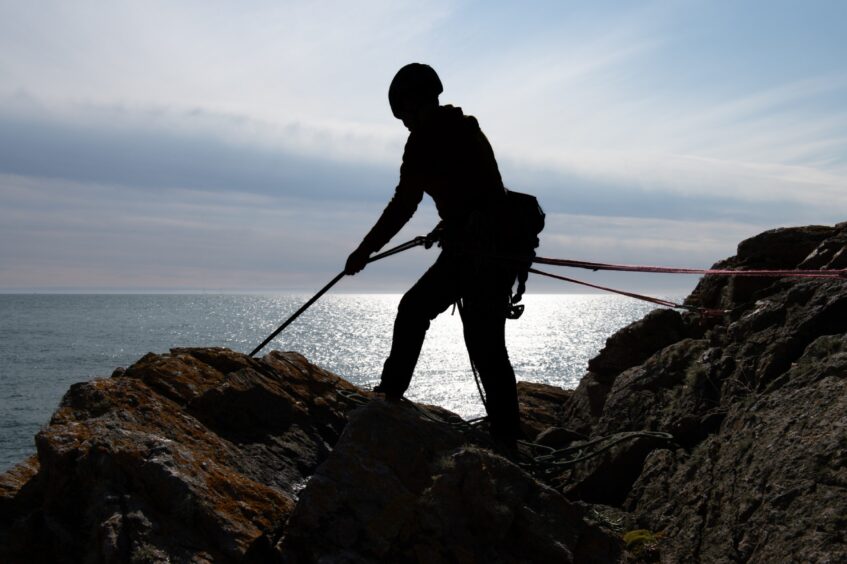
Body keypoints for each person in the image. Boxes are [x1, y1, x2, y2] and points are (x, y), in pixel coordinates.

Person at [345, 63, 522, 442]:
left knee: (421, 314)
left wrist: (364, 250)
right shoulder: (466, 128)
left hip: (478, 253)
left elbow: (404, 204)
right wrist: (449, 226)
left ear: (415, 101)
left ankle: (389, 397)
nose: (403, 122)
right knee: (485, 344)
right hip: (491, 248)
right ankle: (508, 439)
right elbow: (483, 193)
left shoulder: (427, 138)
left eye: (403, 112)